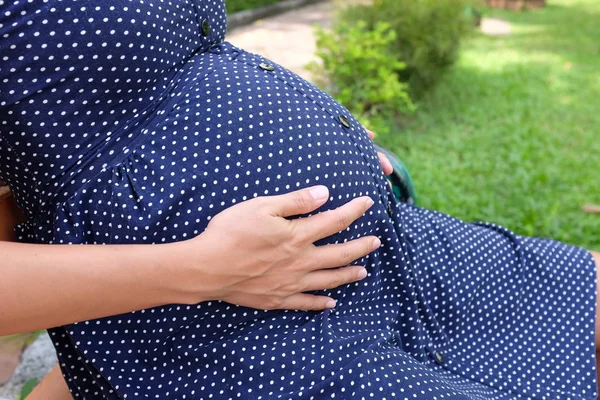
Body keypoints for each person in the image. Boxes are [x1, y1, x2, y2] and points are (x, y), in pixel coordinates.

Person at [1, 1, 598, 399]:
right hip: (231, 322)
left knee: (582, 288)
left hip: (381, 248)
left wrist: (323, 133)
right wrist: (204, 268)